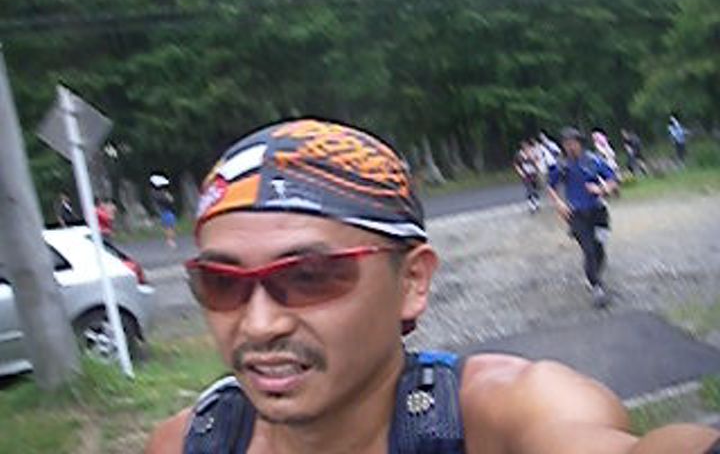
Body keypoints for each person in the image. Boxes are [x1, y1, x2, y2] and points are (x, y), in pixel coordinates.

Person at [145, 118, 719, 454]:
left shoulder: (499, 416)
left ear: (412, 281)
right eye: (222, 282)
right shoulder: (188, 443)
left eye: (308, 276)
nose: (259, 323)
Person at [546, 127, 618, 309]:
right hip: (576, 215)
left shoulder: (593, 160)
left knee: (599, 248)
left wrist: (602, 189)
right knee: (589, 250)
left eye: (573, 143)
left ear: (580, 143)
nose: (569, 147)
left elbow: (613, 179)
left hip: (598, 212)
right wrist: (558, 203)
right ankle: (597, 287)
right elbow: (550, 186)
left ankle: (595, 275)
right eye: (566, 144)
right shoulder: (562, 165)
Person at [513, 139, 541, 212]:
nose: (526, 148)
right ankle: (531, 205)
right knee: (530, 189)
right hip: (526, 175)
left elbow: (537, 160)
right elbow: (516, 165)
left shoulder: (532, 152)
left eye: (527, 146)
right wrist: (521, 173)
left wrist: (537, 167)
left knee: (535, 189)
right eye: (525, 147)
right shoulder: (519, 155)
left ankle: (537, 203)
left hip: (533, 173)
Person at [151, 184, 177, 248]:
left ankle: (170, 240)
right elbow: (170, 200)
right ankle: (169, 240)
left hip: (167, 212)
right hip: (166, 212)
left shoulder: (159, 194)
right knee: (169, 227)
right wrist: (168, 196)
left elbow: (171, 201)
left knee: (170, 227)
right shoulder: (160, 195)